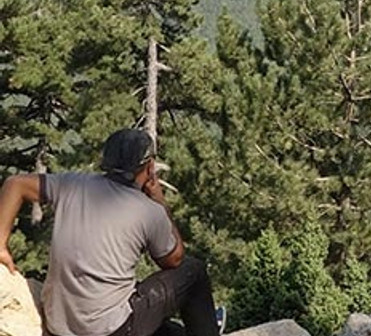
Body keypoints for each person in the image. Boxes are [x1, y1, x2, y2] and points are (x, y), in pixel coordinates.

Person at [0, 129, 222, 336]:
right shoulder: (149, 211)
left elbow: (15, 184)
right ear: (150, 166)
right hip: (110, 330)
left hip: (61, 326)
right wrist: (160, 201)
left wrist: (0, 244)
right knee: (193, 271)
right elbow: (174, 259)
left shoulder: (71, 184)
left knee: (130, 300)